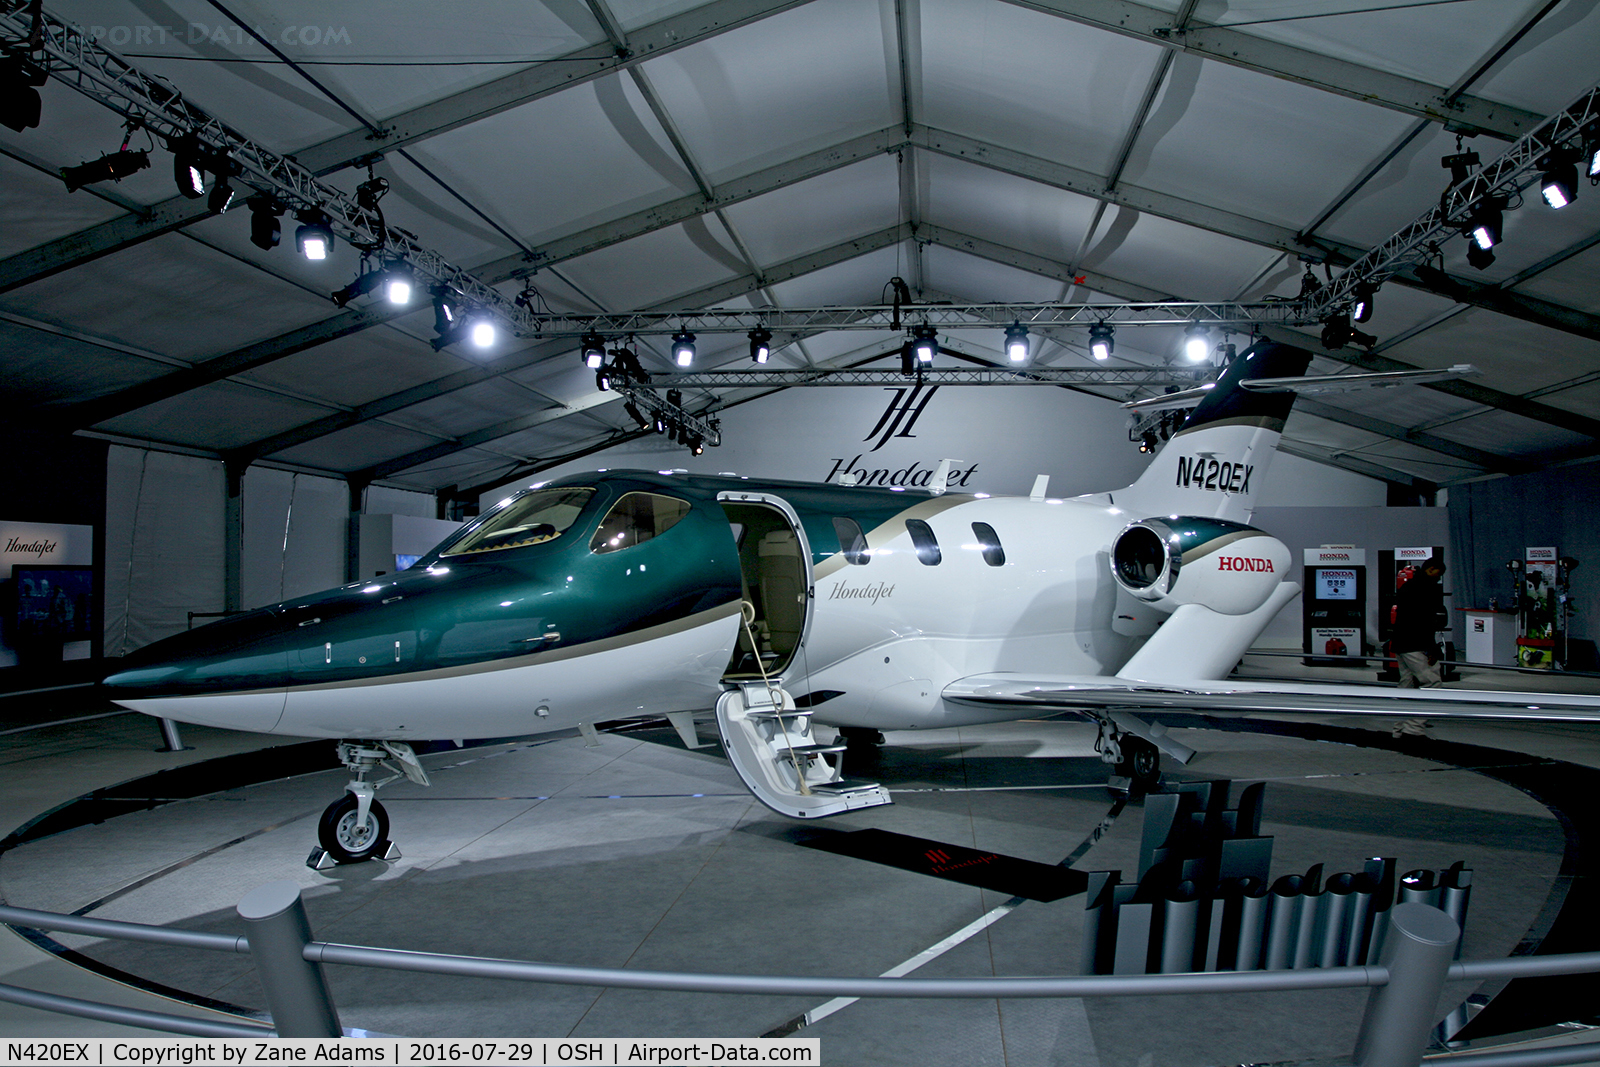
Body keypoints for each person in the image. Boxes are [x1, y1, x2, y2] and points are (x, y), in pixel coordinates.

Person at [1392, 559, 1447, 689]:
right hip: (1415, 644)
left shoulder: (1408, 585)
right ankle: (1432, 707)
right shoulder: (1427, 589)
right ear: (1431, 569)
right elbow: (1424, 620)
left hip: (1401, 642)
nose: (1439, 578)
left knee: (1407, 681)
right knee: (1432, 681)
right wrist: (1432, 647)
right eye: (1439, 574)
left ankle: (1399, 707)